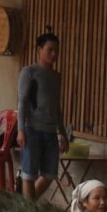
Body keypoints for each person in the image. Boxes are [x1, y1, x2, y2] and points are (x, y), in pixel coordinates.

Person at [16, 32, 64, 201]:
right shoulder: (29, 72)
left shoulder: (57, 77)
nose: (54, 54)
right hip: (31, 129)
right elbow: (22, 101)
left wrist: (62, 133)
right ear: (39, 50)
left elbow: (57, 106)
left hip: (50, 131)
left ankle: (27, 207)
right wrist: (20, 130)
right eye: (50, 50)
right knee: (29, 174)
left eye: (57, 50)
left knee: (50, 174)